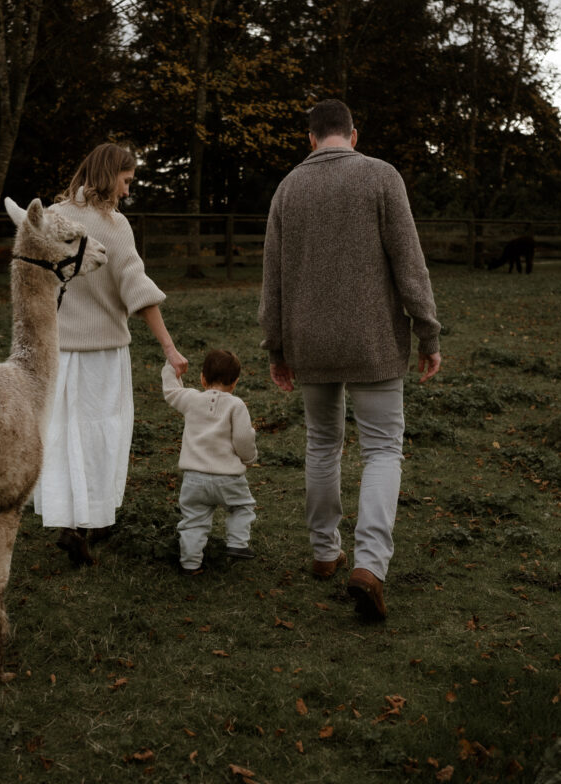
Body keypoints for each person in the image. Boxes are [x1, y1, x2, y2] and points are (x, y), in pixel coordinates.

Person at [258, 99, 441, 620]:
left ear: (311, 137)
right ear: (353, 135)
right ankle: (369, 565)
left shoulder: (288, 188)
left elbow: (272, 277)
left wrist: (276, 346)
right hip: (374, 340)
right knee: (383, 448)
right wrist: (428, 332)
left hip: (308, 341)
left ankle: (323, 551)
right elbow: (410, 262)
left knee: (322, 443)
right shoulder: (382, 177)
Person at [33, 143, 188, 566]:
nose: (127, 192)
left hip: (58, 352)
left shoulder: (49, 217)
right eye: (125, 182)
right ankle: (91, 520)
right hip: (102, 354)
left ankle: (69, 520)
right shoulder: (113, 225)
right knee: (102, 435)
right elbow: (137, 291)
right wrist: (170, 348)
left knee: (63, 436)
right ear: (108, 176)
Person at [161, 349, 257, 575]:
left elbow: (171, 391)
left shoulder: (191, 399)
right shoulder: (237, 405)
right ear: (235, 383)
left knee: (193, 521)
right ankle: (237, 543)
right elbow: (243, 438)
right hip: (229, 478)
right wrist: (249, 458)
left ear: (202, 378)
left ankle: (190, 564)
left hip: (194, 479)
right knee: (241, 507)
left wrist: (170, 364)